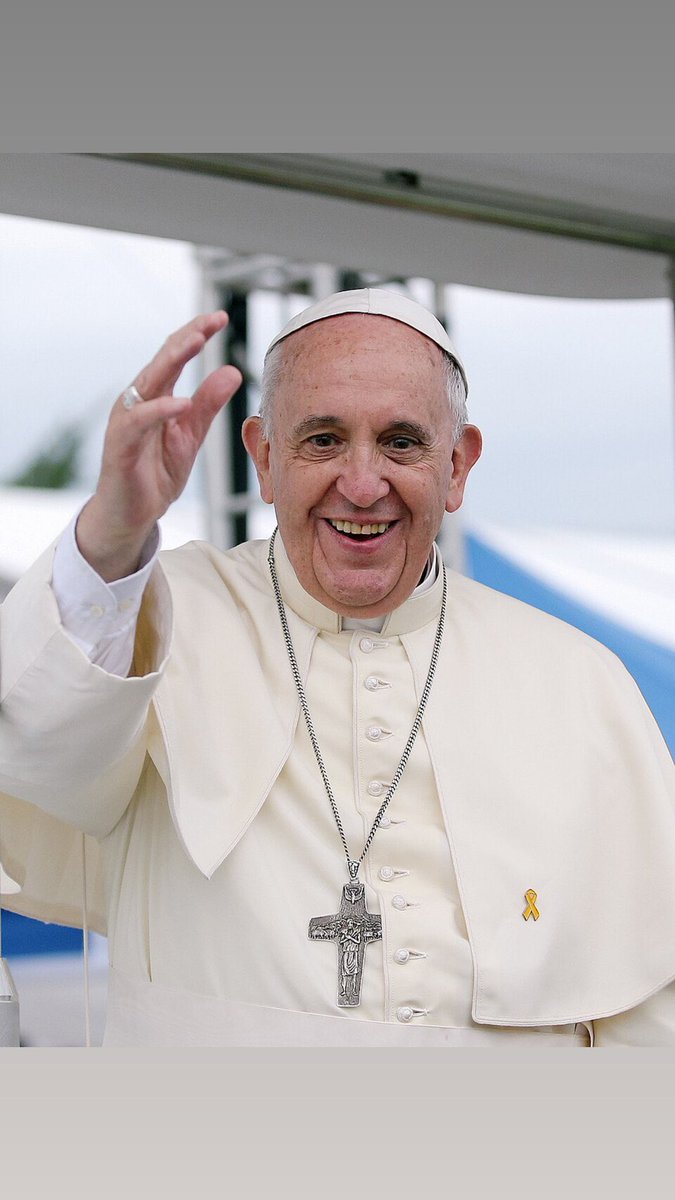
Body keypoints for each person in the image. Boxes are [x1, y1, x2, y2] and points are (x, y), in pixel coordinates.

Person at [2, 288, 675, 1047]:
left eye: (401, 442)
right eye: (322, 440)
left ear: (456, 466)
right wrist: (112, 534)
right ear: (261, 457)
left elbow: (647, 1009)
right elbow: (37, 750)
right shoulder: (155, 616)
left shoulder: (576, 679)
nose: (362, 485)